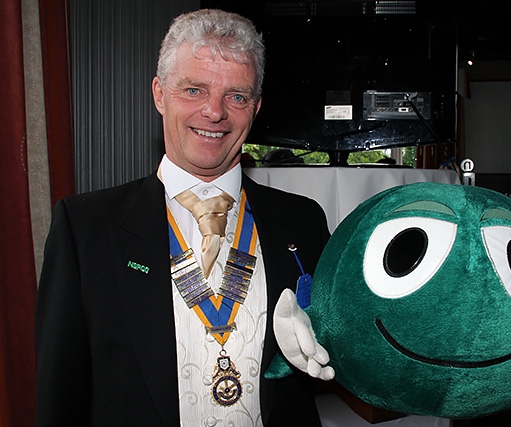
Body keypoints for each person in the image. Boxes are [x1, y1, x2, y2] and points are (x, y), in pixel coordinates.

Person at [35, 9, 330, 427]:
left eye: (237, 96)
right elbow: (59, 398)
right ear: (159, 93)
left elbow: (349, 356)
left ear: (256, 107)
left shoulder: (302, 222)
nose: (214, 112)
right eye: (193, 89)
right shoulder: (84, 229)